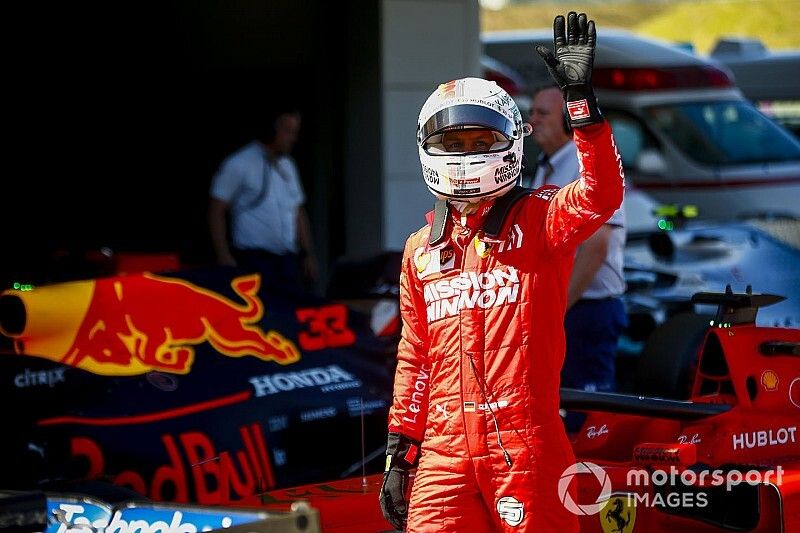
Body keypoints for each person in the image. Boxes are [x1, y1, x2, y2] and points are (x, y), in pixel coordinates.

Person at [379, 12, 624, 532]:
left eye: (480, 143)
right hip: (442, 456)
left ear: (510, 143)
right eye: (454, 144)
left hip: (525, 445)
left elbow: (602, 196)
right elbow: (415, 357)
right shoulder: (420, 250)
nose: (467, 156)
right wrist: (400, 451)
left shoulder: (540, 218)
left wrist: (580, 104)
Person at [525, 84, 628, 432]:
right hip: (565, 307)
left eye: (543, 113)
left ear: (569, 122)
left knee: (588, 419)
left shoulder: (586, 166)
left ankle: (599, 486)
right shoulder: (546, 167)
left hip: (585, 310)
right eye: (532, 112)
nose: (532, 120)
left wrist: (554, 308)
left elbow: (596, 245)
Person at [208, 105, 318, 289]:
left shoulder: (288, 166)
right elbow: (216, 209)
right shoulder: (240, 163)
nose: (292, 138)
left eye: (295, 132)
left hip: (286, 259)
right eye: (287, 132)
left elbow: (297, 211)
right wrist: (223, 254)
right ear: (272, 130)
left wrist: (308, 253)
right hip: (254, 259)